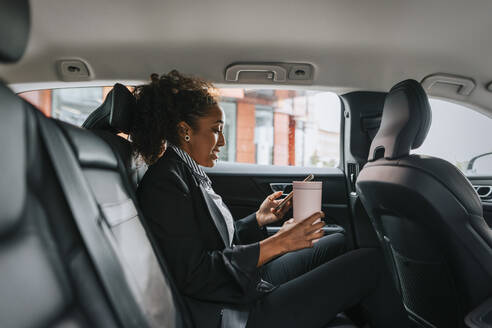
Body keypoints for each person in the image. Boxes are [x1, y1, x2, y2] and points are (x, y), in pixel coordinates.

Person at [133, 70, 410, 328]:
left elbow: (213, 240)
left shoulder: (187, 170)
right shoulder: (166, 183)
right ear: (185, 130)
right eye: (216, 129)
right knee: (369, 265)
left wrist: (257, 220)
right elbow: (195, 274)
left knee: (339, 241)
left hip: (241, 287)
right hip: (235, 313)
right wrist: (278, 243)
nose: (222, 142)